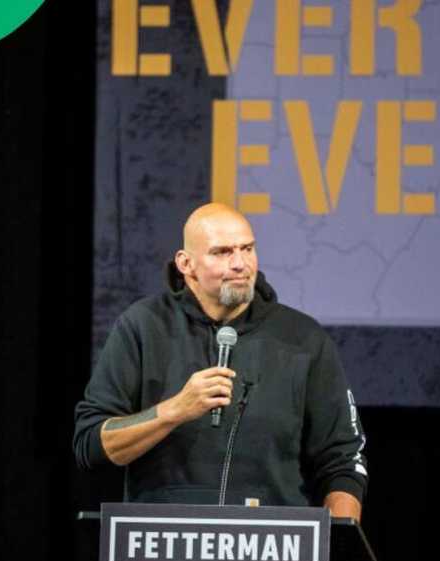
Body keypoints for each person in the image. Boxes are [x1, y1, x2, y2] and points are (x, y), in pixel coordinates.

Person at [74, 202, 366, 520]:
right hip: (164, 548)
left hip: (273, 551)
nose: (240, 264)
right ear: (186, 264)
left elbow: (343, 460)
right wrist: (175, 410)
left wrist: (334, 546)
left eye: (247, 249)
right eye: (222, 252)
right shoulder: (143, 326)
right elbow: (92, 444)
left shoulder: (303, 338)